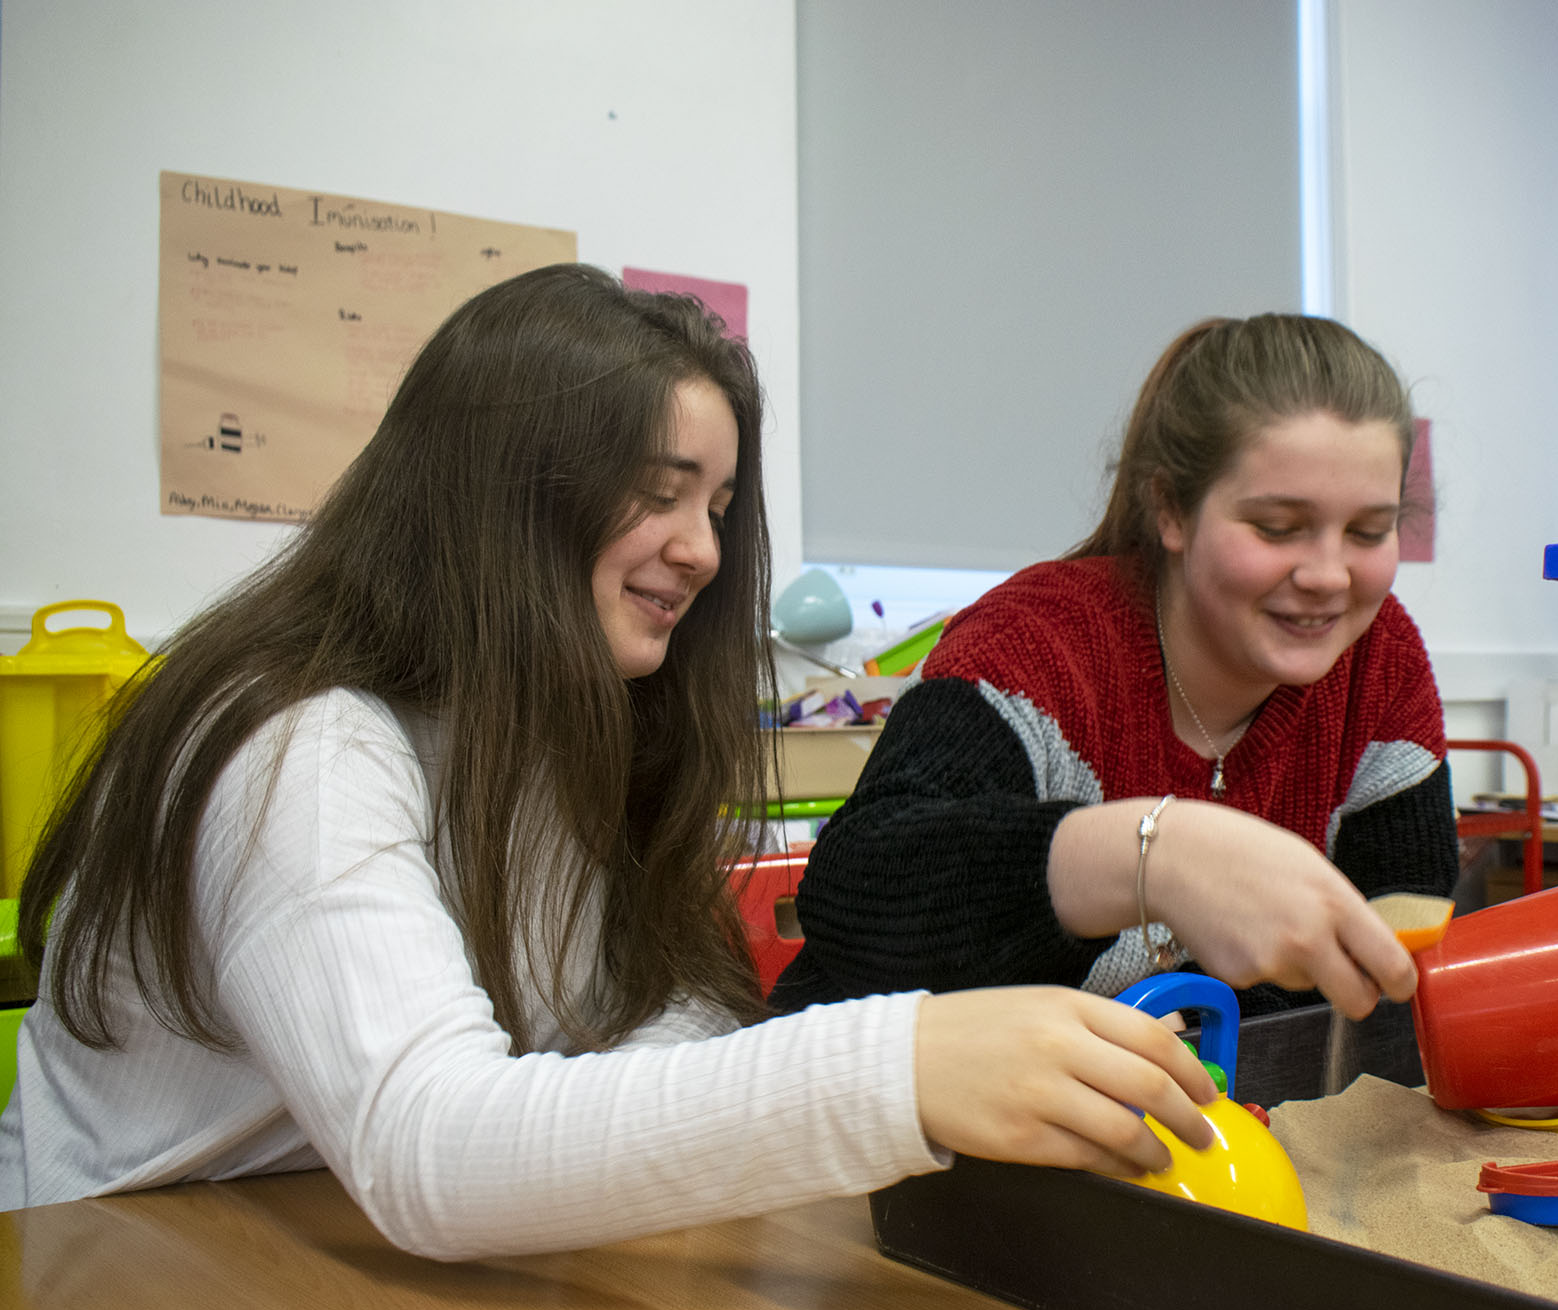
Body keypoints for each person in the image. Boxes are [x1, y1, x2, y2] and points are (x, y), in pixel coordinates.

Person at [0, 264, 1220, 1258]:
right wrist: (899, 1067)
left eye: (719, 504)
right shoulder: (298, 747)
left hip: (337, 1249)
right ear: (500, 494)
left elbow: (654, 1012)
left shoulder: (574, 723)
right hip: (113, 1266)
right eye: (658, 492)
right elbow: (432, 1146)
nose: (698, 550)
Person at [774, 314, 1458, 1086]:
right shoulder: (1035, 648)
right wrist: (1154, 856)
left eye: (1370, 531)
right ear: (1169, 510)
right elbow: (857, 891)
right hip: (881, 1137)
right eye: (1278, 527)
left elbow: (1393, 955)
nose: (1330, 575)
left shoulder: (1379, 659)